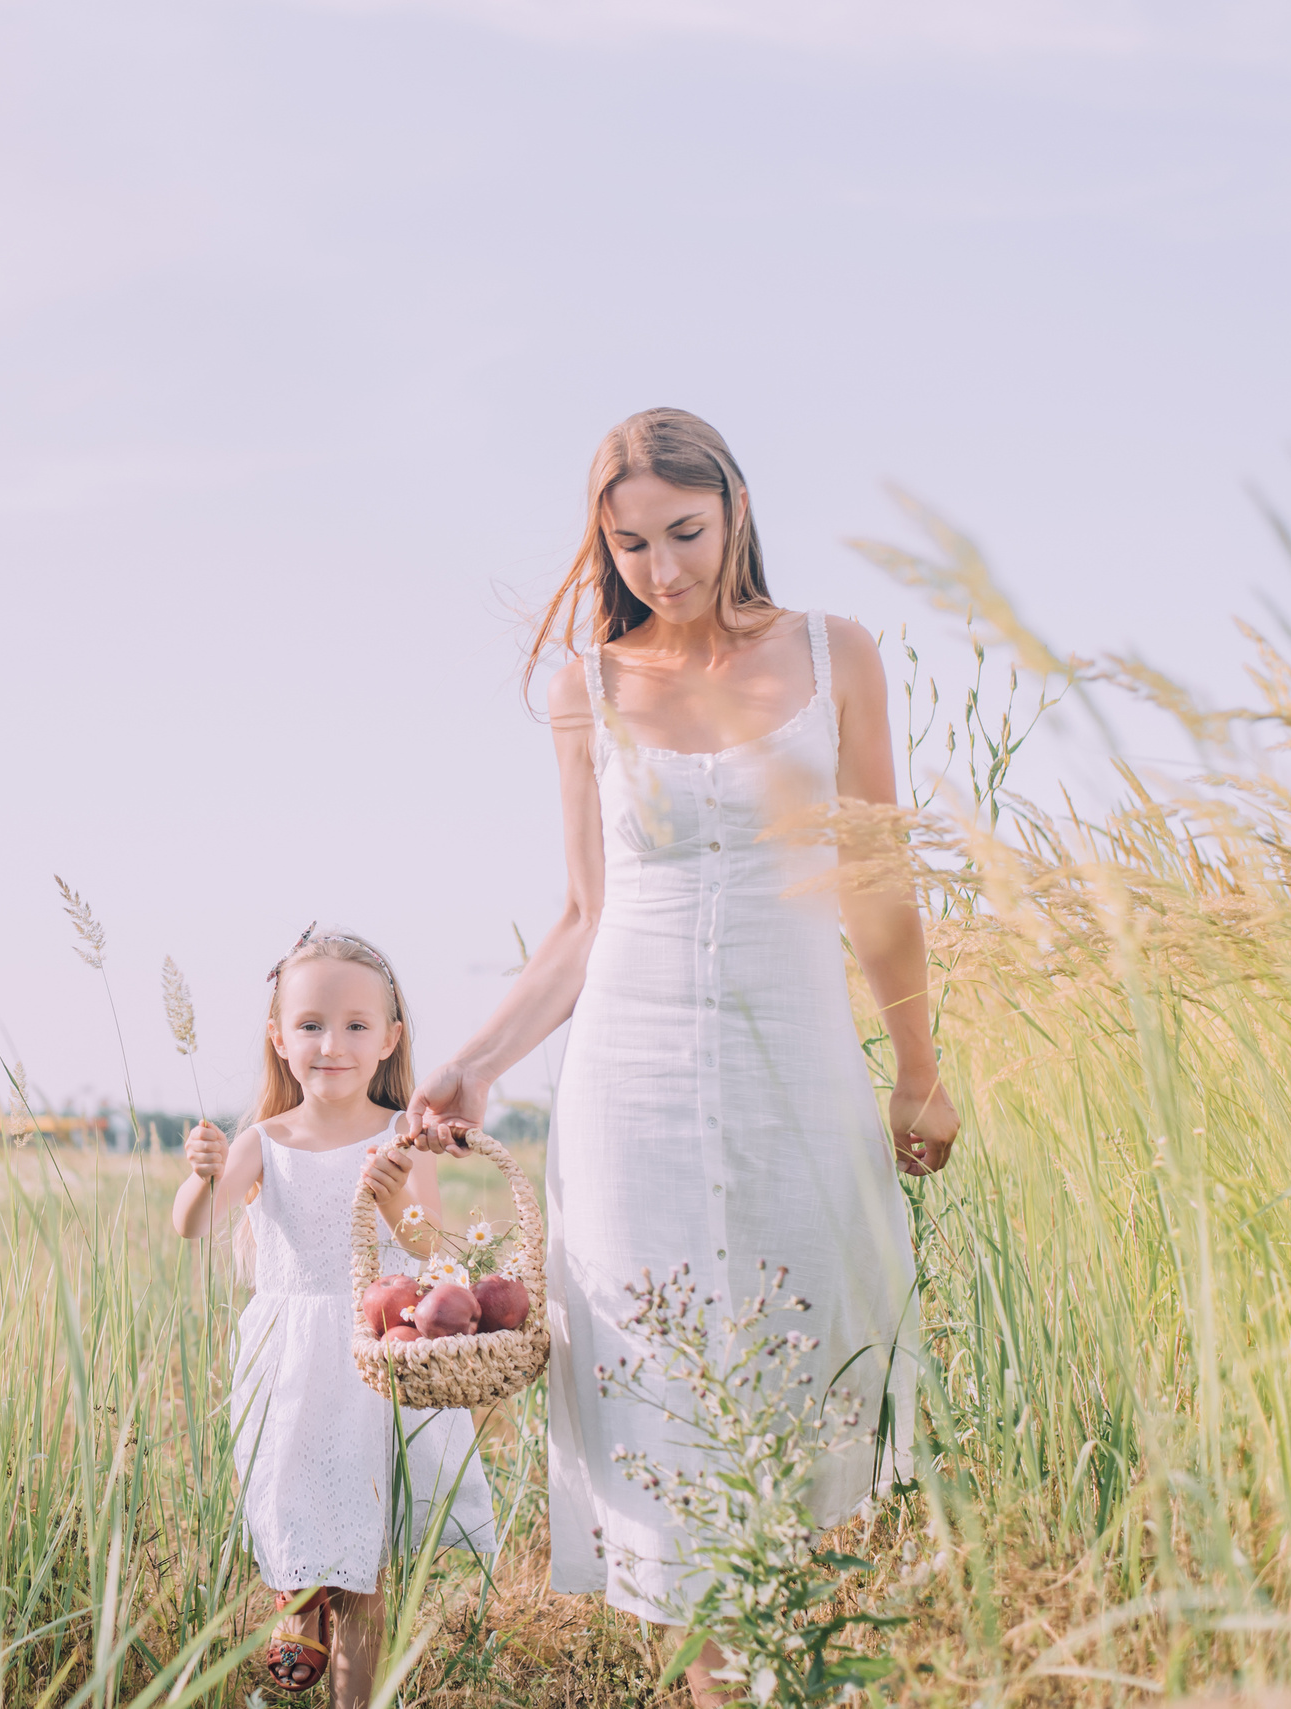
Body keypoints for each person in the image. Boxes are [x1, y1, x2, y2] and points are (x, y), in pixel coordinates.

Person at [406, 408, 962, 1707]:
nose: (662, 566)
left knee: (803, 1371)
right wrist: (477, 1064)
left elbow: (879, 885)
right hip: (630, 1086)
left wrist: (919, 1069)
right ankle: (714, 1686)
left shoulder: (839, 656)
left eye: (686, 532)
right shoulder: (587, 686)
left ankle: (793, 1674)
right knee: (665, 1408)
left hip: (801, 1075)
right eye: (633, 542)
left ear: (738, 509)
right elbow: (586, 919)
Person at [173, 928, 497, 1705]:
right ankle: (298, 1595)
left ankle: (354, 1690)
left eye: (356, 1025)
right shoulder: (265, 1141)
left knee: (366, 1549)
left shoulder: (403, 1136)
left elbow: (428, 1248)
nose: (333, 1043)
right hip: (290, 1359)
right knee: (292, 1504)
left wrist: (389, 1196)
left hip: (373, 1359)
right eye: (312, 1024)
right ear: (280, 1038)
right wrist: (199, 1176)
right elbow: (196, 1224)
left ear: (390, 1039)